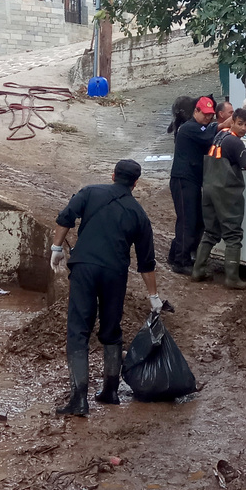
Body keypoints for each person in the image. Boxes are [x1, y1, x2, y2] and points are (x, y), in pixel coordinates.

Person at [49, 159, 163, 417]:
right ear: (136, 183)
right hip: (115, 274)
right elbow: (147, 261)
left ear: (113, 175)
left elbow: (66, 217)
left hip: (85, 269)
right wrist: (153, 296)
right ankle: (110, 391)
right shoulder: (138, 214)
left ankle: (79, 400)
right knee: (111, 329)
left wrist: (57, 246)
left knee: (78, 330)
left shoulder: (90, 192)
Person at [192, 108, 246, 289]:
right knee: (233, 234)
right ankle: (232, 278)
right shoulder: (235, 143)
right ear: (232, 122)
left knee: (211, 232)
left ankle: (197, 271)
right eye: (240, 123)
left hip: (209, 188)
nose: (243, 128)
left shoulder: (219, 137)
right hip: (226, 192)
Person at [167, 97, 231, 275]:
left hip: (192, 180)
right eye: (205, 114)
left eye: (211, 115)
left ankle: (176, 254)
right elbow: (213, 130)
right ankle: (181, 261)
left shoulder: (199, 128)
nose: (208, 118)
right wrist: (234, 119)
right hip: (183, 180)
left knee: (194, 220)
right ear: (196, 111)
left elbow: (211, 129)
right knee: (188, 220)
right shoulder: (190, 128)